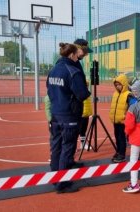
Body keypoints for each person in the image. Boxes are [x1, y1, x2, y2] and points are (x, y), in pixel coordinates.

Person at [47, 43, 91, 194]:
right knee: (67, 147)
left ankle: (55, 177)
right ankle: (63, 183)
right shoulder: (72, 71)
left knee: (56, 147)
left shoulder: (53, 69)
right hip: (69, 114)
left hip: (56, 113)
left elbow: (49, 90)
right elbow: (82, 94)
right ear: (72, 54)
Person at [109, 74, 134, 163]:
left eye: (119, 84)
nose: (117, 86)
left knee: (121, 138)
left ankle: (122, 154)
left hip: (123, 121)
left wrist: (127, 117)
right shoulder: (115, 94)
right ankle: (118, 151)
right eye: (116, 85)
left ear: (124, 84)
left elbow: (134, 106)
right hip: (116, 121)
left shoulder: (128, 95)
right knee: (117, 137)